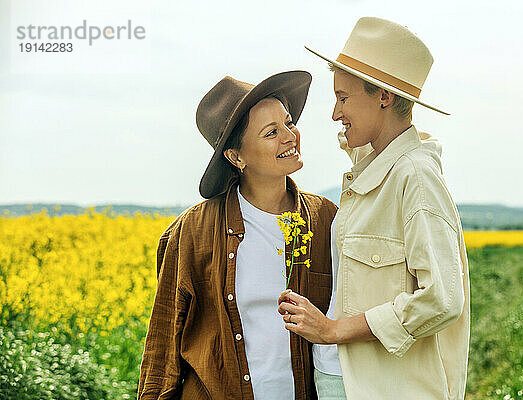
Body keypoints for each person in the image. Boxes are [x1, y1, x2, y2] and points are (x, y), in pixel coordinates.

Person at [278, 17, 471, 400]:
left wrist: (334, 330)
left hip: (382, 388)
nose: (335, 113)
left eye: (343, 97)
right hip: (337, 376)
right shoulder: (373, 168)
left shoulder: (414, 176)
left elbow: (443, 299)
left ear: (383, 96)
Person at [138, 71, 337, 400]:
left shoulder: (326, 219)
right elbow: (163, 347)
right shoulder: (192, 232)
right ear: (236, 156)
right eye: (271, 132)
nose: (290, 137)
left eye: (288, 123)